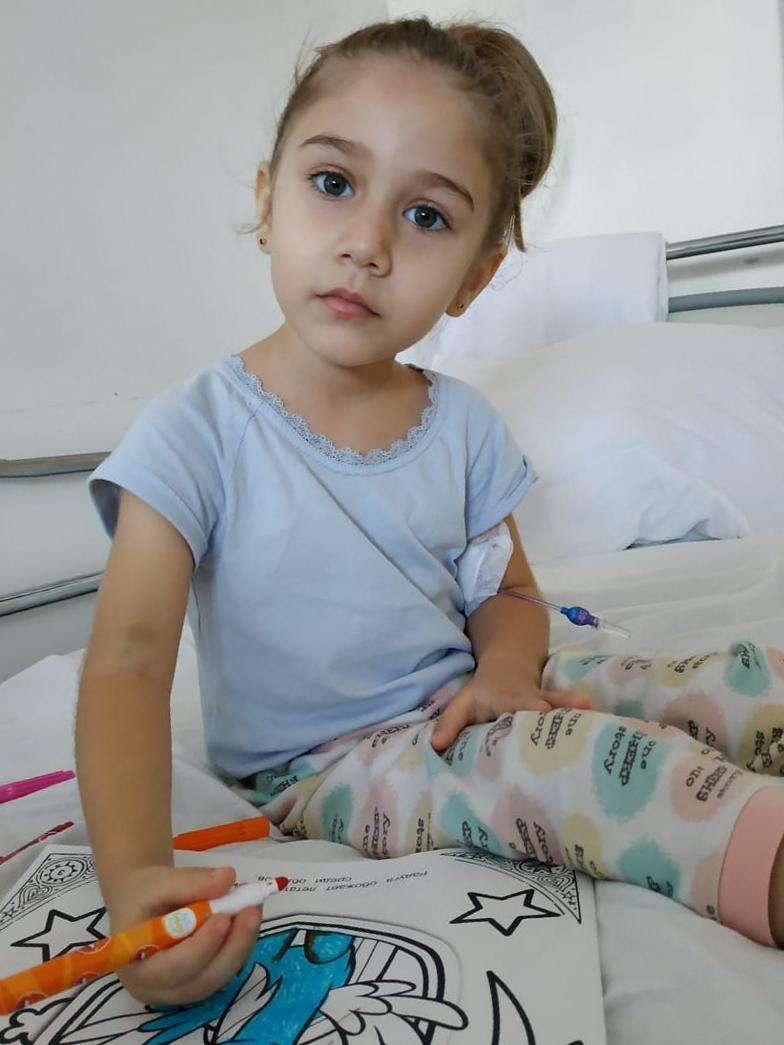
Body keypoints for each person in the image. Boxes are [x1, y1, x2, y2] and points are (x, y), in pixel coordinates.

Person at [76, 15, 784, 1009]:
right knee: (586, 769)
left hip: (469, 687)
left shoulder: (462, 425)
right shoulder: (195, 431)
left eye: (425, 216)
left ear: (474, 276)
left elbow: (511, 596)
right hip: (325, 760)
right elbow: (127, 664)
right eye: (333, 183)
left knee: (717, 683)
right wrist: (133, 880)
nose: (366, 244)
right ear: (266, 202)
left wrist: (506, 673)